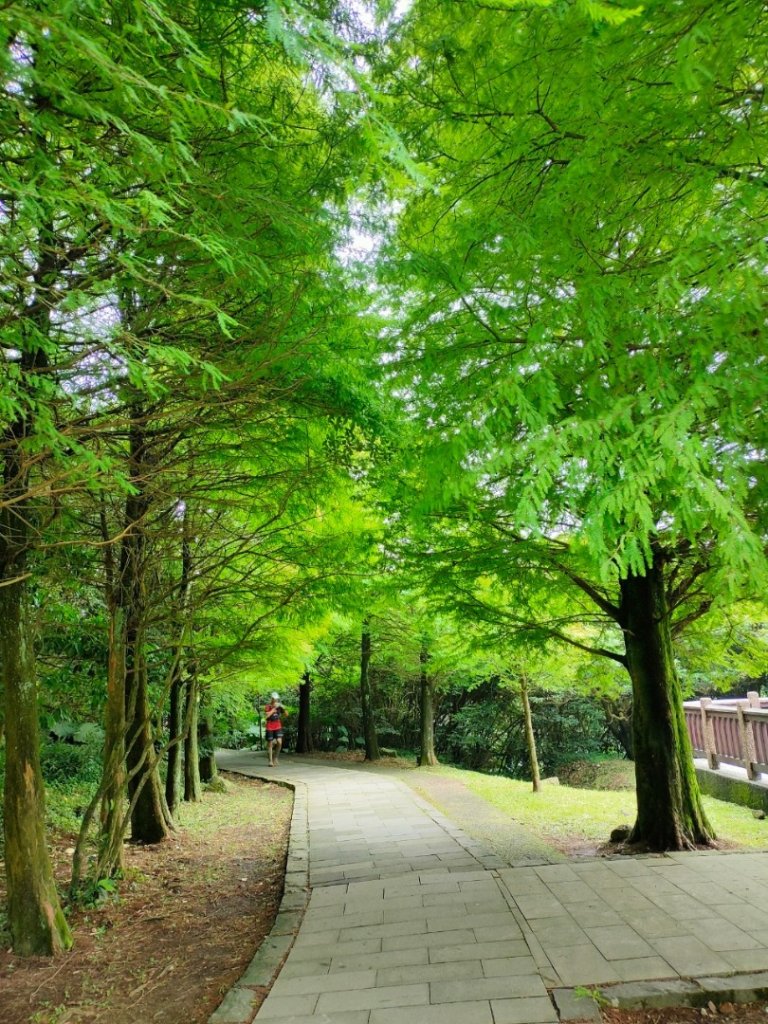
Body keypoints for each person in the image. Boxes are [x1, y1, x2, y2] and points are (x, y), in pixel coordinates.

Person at [264, 692, 285, 766]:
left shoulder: (279, 706)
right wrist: (273, 709)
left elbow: (286, 714)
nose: (275, 700)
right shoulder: (268, 706)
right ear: (271, 698)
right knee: (270, 743)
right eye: (274, 699)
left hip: (278, 725)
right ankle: (270, 761)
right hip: (269, 725)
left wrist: (282, 707)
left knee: (279, 742)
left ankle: (275, 757)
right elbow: (266, 716)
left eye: (276, 699)